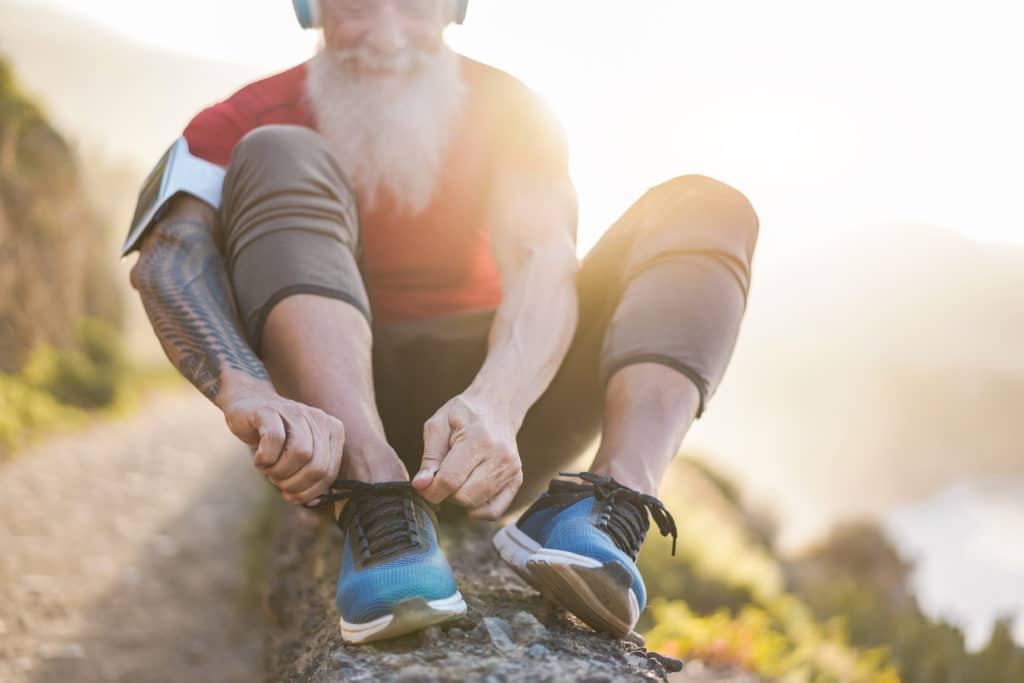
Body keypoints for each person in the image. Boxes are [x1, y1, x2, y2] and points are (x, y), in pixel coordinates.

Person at [127, 0, 759, 644]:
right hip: (338, 416)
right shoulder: (237, 121)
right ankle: (375, 504)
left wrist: (497, 402)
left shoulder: (511, 109)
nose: (388, 38)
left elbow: (542, 255)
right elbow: (169, 259)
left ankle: (601, 511)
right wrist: (249, 391)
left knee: (707, 207)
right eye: (355, 9)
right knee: (276, 150)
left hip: (503, 412)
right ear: (308, 7)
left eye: (415, 7)